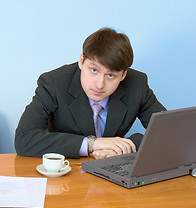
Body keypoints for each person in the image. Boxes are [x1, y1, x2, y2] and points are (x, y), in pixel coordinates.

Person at [15, 28, 166, 159]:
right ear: (81, 61)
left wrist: (125, 146)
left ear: (123, 75)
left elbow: (169, 131)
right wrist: (92, 144)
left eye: (110, 75)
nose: (100, 84)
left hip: (113, 172)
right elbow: (24, 138)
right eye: (94, 70)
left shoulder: (137, 84)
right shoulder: (54, 83)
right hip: (68, 174)